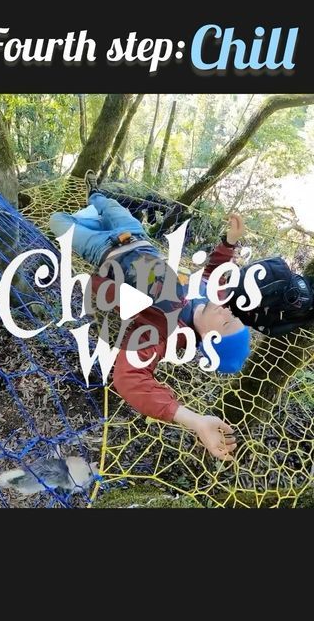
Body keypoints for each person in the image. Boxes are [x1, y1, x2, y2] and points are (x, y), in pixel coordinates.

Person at [50, 171, 252, 461]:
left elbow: (129, 378)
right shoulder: (208, 299)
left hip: (103, 251)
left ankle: (88, 217)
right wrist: (230, 243)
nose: (225, 309)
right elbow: (212, 275)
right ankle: (93, 193)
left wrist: (193, 420)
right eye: (233, 314)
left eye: (227, 322)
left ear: (209, 340)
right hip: (136, 235)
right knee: (105, 204)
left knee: (57, 220)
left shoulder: (161, 330)